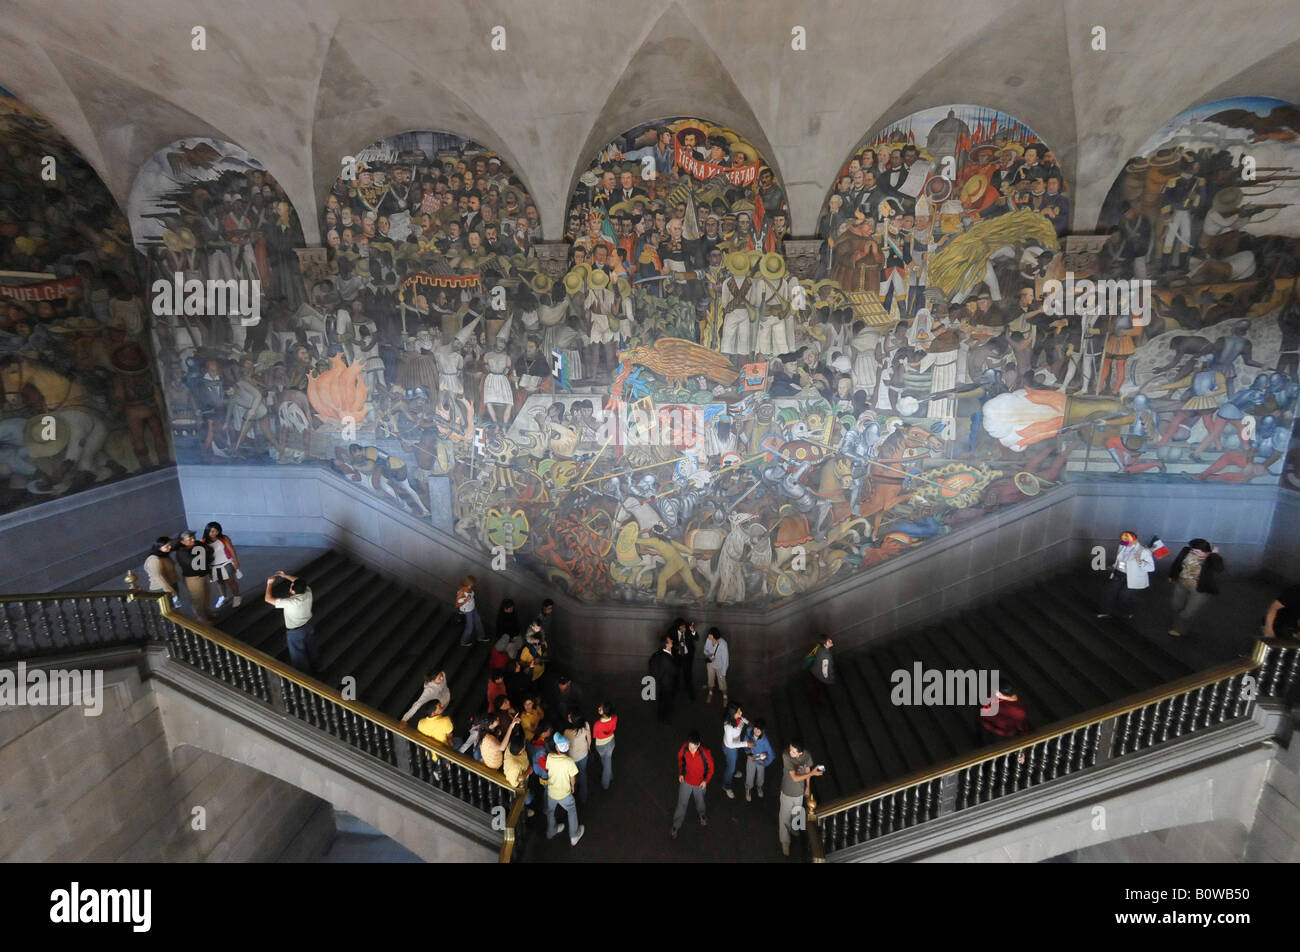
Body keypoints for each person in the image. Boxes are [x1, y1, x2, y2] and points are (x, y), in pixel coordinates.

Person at [264, 570, 319, 675]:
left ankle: (305, 677)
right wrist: (285, 576)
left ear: (293, 591)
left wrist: (269, 584)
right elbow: (297, 580)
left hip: (296, 632)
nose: (291, 585)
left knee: (299, 656)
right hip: (309, 626)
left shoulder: (290, 602)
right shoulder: (308, 591)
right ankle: (316, 667)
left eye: (291, 586)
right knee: (311, 648)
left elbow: (268, 599)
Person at [1166, 539, 1224, 638]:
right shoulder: (1186, 551)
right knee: (1176, 605)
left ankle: (1178, 629)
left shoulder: (1211, 558)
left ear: (1205, 551)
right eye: (1193, 550)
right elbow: (1177, 562)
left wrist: (1214, 555)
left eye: (1197, 551)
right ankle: (1179, 620)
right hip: (1181, 583)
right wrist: (1171, 575)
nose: (1193, 552)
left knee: (1187, 612)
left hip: (1199, 588)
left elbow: (1219, 568)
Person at [1098, 531, 1155, 620]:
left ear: (1135, 540)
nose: (1125, 544)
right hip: (1119, 573)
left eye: (1127, 542)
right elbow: (1119, 560)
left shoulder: (1144, 551)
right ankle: (1107, 612)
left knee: (1124, 596)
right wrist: (1113, 566)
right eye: (1123, 541)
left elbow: (1151, 568)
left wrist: (1140, 562)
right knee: (1110, 593)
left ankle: (1127, 612)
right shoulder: (1122, 546)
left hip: (1133, 577)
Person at [779, 738, 822, 856]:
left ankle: (795, 829)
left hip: (799, 791)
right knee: (784, 818)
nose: (790, 752)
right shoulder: (786, 756)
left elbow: (807, 768)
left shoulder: (806, 755)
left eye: (793, 751)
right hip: (787, 791)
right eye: (790, 749)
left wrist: (808, 787)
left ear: (800, 753)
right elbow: (795, 777)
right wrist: (812, 773)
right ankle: (785, 841)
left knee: (797, 811)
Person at [671, 730, 714, 839]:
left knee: (700, 802)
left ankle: (702, 815)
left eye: (693, 747)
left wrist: (706, 781)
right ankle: (676, 825)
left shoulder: (705, 754)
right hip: (686, 782)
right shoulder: (684, 749)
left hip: (699, 784)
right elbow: (680, 760)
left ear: (698, 745)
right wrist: (681, 773)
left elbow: (711, 769)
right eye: (689, 746)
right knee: (682, 803)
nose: (691, 749)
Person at [544, 733, 585, 846]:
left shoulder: (550, 757)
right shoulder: (569, 762)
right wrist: (572, 787)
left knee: (550, 811)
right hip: (564, 794)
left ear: (557, 747)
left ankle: (551, 831)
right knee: (571, 810)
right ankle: (574, 835)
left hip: (551, 792)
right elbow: (573, 777)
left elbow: (547, 768)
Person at [977, 683, 1031, 763]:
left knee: (997, 757)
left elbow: (1023, 730)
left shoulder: (1018, 711)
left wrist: (1023, 751)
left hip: (1000, 736)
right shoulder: (992, 695)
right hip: (985, 727)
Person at [175, 529, 213, 623]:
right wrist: (204, 557)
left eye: (193, 538)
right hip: (193, 577)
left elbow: (209, 551)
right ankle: (201, 618)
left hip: (204, 573)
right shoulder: (181, 552)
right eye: (189, 539)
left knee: (206, 594)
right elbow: (193, 563)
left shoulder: (198, 545)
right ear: (182, 541)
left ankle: (207, 612)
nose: (193, 540)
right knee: (197, 597)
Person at [204, 521, 242, 610]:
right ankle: (223, 597)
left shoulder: (223, 538)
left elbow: (231, 549)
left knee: (231, 581)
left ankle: (237, 596)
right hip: (214, 565)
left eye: (216, 531)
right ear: (207, 531)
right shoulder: (204, 542)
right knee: (220, 582)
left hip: (226, 562)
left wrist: (235, 561)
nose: (214, 533)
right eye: (212, 531)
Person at [721, 702, 749, 798]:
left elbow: (742, 720)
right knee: (730, 768)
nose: (741, 713)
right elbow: (730, 744)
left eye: (740, 710)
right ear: (732, 714)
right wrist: (746, 744)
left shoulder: (737, 718)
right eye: (738, 712)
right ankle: (726, 786)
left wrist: (746, 722)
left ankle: (734, 770)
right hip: (730, 748)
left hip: (734, 746)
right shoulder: (728, 727)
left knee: (733, 761)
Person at [648, 635, 678, 724]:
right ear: (666, 645)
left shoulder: (662, 653)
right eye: (670, 641)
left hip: (662, 682)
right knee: (666, 701)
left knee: (662, 699)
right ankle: (664, 718)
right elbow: (673, 671)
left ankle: (660, 716)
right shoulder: (666, 659)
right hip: (667, 683)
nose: (672, 640)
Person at [564, 710, 592, 805]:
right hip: (584, 755)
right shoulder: (586, 725)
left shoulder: (567, 733)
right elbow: (589, 739)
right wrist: (588, 748)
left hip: (572, 758)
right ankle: (584, 797)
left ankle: (574, 792)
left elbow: (566, 747)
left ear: (573, 721)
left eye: (570, 717)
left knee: (573, 775)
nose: (568, 716)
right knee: (583, 773)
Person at [144, 537, 181, 607]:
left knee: (175, 608)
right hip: (162, 588)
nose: (169, 547)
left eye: (170, 545)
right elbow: (158, 577)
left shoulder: (164, 555)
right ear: (158, 548)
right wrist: (170, 590)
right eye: (166, 546)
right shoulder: (154, 560)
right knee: (167, 610)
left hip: (171, 584)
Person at [745, 719, 775, 801]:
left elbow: (772, 755)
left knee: (760, 775)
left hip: (760, 760)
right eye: (755, 728)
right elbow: (745, 742)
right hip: (751, 758)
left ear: (763, 731)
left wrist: (764, 763)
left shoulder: (765, 742)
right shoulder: (749, 732)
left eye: (759, 730)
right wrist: (748, 753)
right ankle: (748, 788)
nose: (756, 731)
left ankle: (759, 786)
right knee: (750, 774)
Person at [671, 618, 699, 700]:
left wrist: (693, 631)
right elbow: (667, 641)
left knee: (688, 675)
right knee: (676, 675)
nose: (685, 628)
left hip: (687, 656)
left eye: (685, 626)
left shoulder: (688, 630)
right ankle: (674, 692)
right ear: (678, 628)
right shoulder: (672, 631)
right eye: (683, 627)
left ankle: (691, 694)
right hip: (677, 657)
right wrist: (675, 647)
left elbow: (697, 638)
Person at [456, 575, 487, 645]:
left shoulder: (469, 589)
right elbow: (458, 603)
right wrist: (466, 600)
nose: (472, 585)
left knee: (478, 621)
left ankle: (481, 636)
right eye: (472, 584)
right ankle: (463, 641)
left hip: (472, 608)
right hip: (467, 611)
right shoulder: (461, 592)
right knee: (469, 627)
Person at [593, 701, 617, 790]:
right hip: (611, 742)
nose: (599, 708)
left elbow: (595, 736)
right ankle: (610, 776)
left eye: (601, 708)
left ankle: (605, 784)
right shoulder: (615, 718)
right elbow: (613, 728)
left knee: (606, 763)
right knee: (607, 761)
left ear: (604, 713)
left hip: (601, 746)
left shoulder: (597, 724)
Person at [703, 627, 730, 705]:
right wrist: (708, 655)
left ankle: (725, 697)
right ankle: (710, 693)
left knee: (722, 682)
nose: (708, 635)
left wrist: (723, 673)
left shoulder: (723, 644)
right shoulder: (708, 640)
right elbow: (705, 650)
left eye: (710, 634)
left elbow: (725, 660)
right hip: (710, 664)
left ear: (713, 635)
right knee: (710, 680)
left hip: (720, 666)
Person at [809, 635, 836, 702]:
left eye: (830, 640)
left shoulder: (819, 648)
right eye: (829, 641)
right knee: (817, 688)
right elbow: (824, 671)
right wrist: (828, 679)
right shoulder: (826, 656)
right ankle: (817, 700)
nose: (831, 641)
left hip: (814, 670)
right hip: (819, 675)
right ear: (825, 644)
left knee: (815, 685)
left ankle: (815, 697)